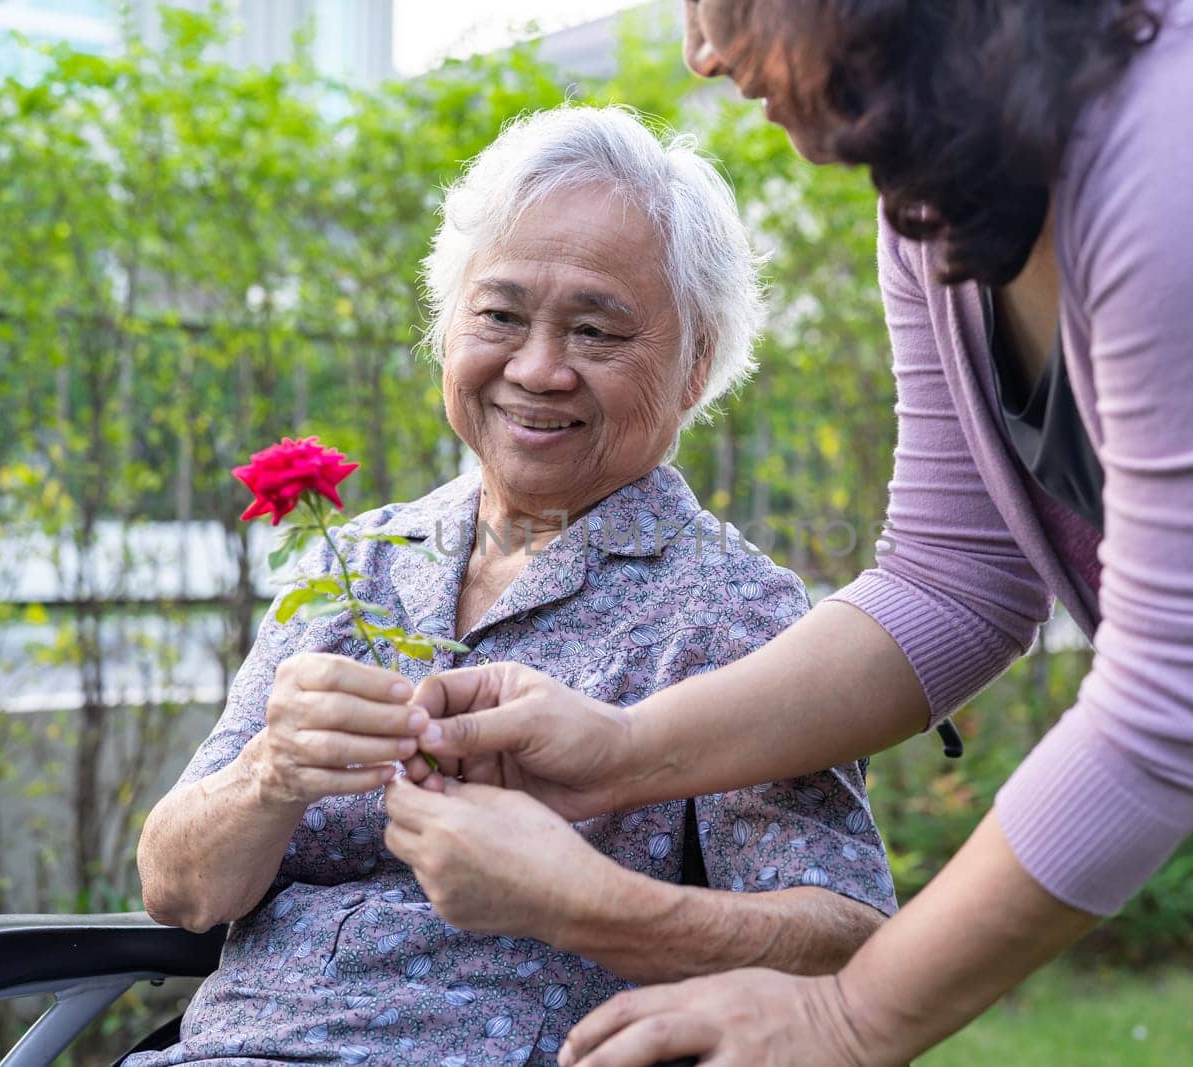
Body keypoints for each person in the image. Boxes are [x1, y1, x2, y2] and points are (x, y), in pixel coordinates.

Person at [390, 2, 1193, 1064]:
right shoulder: (944, 196)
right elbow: (953, 581)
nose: (702, 51)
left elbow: (1185, 690)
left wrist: (847, 1014)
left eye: (728, 2)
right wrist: (621, 752)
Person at [130, 105, 897, 1067]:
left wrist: (576, 899)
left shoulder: (740, 616)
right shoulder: (355, 563)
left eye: (595, 331)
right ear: (448, 326)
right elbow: (179, 888)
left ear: (697, 365)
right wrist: (269, 773)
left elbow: (852, 950)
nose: (537, 369)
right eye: (499, 315)